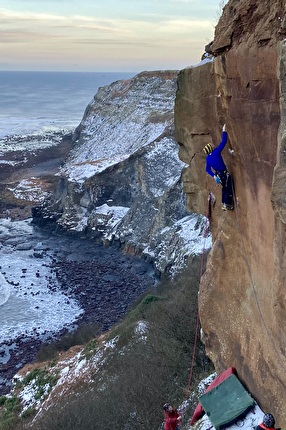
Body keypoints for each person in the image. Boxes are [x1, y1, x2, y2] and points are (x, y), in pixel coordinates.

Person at [203, 124, 234, 211]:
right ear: (211, 148)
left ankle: (224, 203)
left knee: (224, 187)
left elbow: (207, 169)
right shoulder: (216, 152)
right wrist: (224, 131)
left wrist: (214, 176)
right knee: (228, 187)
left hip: (218, 175)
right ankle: (227, 204)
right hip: (223, 173)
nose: (213, 146)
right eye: (211, 146)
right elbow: (223, 141)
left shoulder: (208, 158)